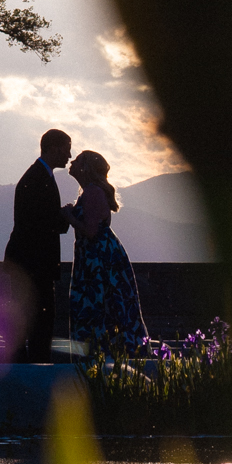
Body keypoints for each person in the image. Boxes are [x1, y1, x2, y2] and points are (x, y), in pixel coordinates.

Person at [67, 150, 149, 352]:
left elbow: (91, 231)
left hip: (98, 261)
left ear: (86, 168)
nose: (72, 162)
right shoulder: (91, 191)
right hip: (98, 257)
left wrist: (68, 216)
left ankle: (101, 355)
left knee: (99, 307)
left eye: (77, 161)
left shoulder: (93, 192)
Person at [4, 129, 74, 362]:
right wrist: (65, 216)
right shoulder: (37, 179)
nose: (69, 155)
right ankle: (35, 368)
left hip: (28, 262)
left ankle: (28, 365)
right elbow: (38, 222)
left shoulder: (39, 176)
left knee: (31, 320)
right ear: (53, 149)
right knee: (39, 320)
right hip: (33, 263)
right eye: (66, 149)